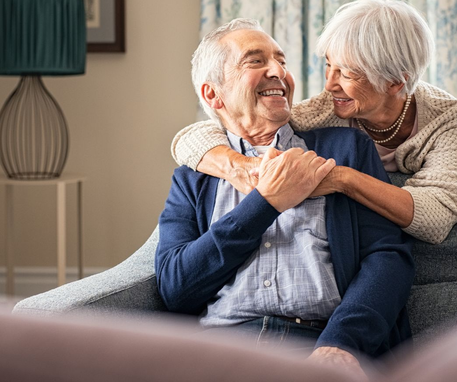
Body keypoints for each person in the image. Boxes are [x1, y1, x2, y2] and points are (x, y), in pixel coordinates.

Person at [155, 19, 415, 379]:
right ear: (214, 95)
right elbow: (175, 288)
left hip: (317, 344)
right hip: (222, 351)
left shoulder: (344, 150)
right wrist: (266, 203)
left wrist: (341, 344)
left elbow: (388, 259)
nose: (278, 71)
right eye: (255, 61)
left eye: (282, 61)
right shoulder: (193, 177)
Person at [171, 0, 457, 244]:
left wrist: (341, 179)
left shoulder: (450, 120)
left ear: (395, 83)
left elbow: (436, 219)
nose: (330, 85)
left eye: (346, 73)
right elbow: (194, 137)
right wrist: (240, 166)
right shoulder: (325, 109)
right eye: (329, 66)